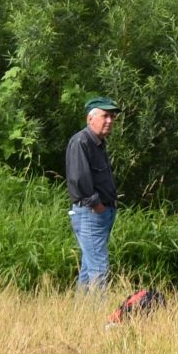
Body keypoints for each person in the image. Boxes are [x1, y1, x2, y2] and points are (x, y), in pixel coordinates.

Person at [63, 97, 120, 291]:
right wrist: (98, 206)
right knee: (99, 267)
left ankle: (81, 316)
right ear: (90, 118)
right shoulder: (81, 141)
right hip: (90, 213)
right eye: (105, 116)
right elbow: (78, 179)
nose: (110, 121)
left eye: (112, 117)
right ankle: (96, 316)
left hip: (100, 213)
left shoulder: (98, 143)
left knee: (88, 268)